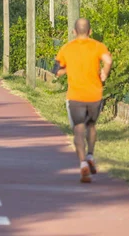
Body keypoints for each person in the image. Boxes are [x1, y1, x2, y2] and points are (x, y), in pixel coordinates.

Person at [53, 18, 112, 183]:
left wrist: (67, 69)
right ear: (90, 31)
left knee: (78, 129)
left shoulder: (66, 48)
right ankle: (91, 155)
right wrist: (104, 73)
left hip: (75, 95)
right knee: (91, 126)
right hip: (95, 94)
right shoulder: (98, 46)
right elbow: (108, 61)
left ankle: (82, 163)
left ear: (74, 32)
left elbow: (56, 70)